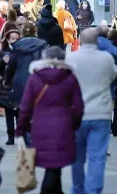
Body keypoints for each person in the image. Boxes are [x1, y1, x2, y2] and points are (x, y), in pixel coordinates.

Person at [16, 46, 84, 193]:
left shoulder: (35, 78)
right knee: (54, 166)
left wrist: (20, 130)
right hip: (63, 125)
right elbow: (78, 107)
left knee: (52, 166)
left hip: (40, 126)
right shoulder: (70, 78)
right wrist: (73, 124)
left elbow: (25, 107)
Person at [66, 27, 117, 194]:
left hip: (76, 114)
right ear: (97, 41)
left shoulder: (70, 58)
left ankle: (77, 189)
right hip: (100, 113)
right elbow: (113, 75)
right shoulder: (106, 58)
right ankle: (93, 190)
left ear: (80, 41)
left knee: (76, 157)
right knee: (97, 157)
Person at [4, 23, 47, 107]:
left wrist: (7, 81)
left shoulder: (17, 46)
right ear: (35, 32)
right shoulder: (43, 45)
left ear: (22, 33)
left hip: (20, 82)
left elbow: (11, 66)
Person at [0, 29, 21, 145]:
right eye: (12, 39)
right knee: (9, 114)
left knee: (19, 113)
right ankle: (10, 136)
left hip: (19, 85)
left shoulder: (23, 52)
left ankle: (20, 135)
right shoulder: (3, 52)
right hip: (7, 85)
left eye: (17, 39)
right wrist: (3, 61)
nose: (14, 41)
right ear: (8, 40)